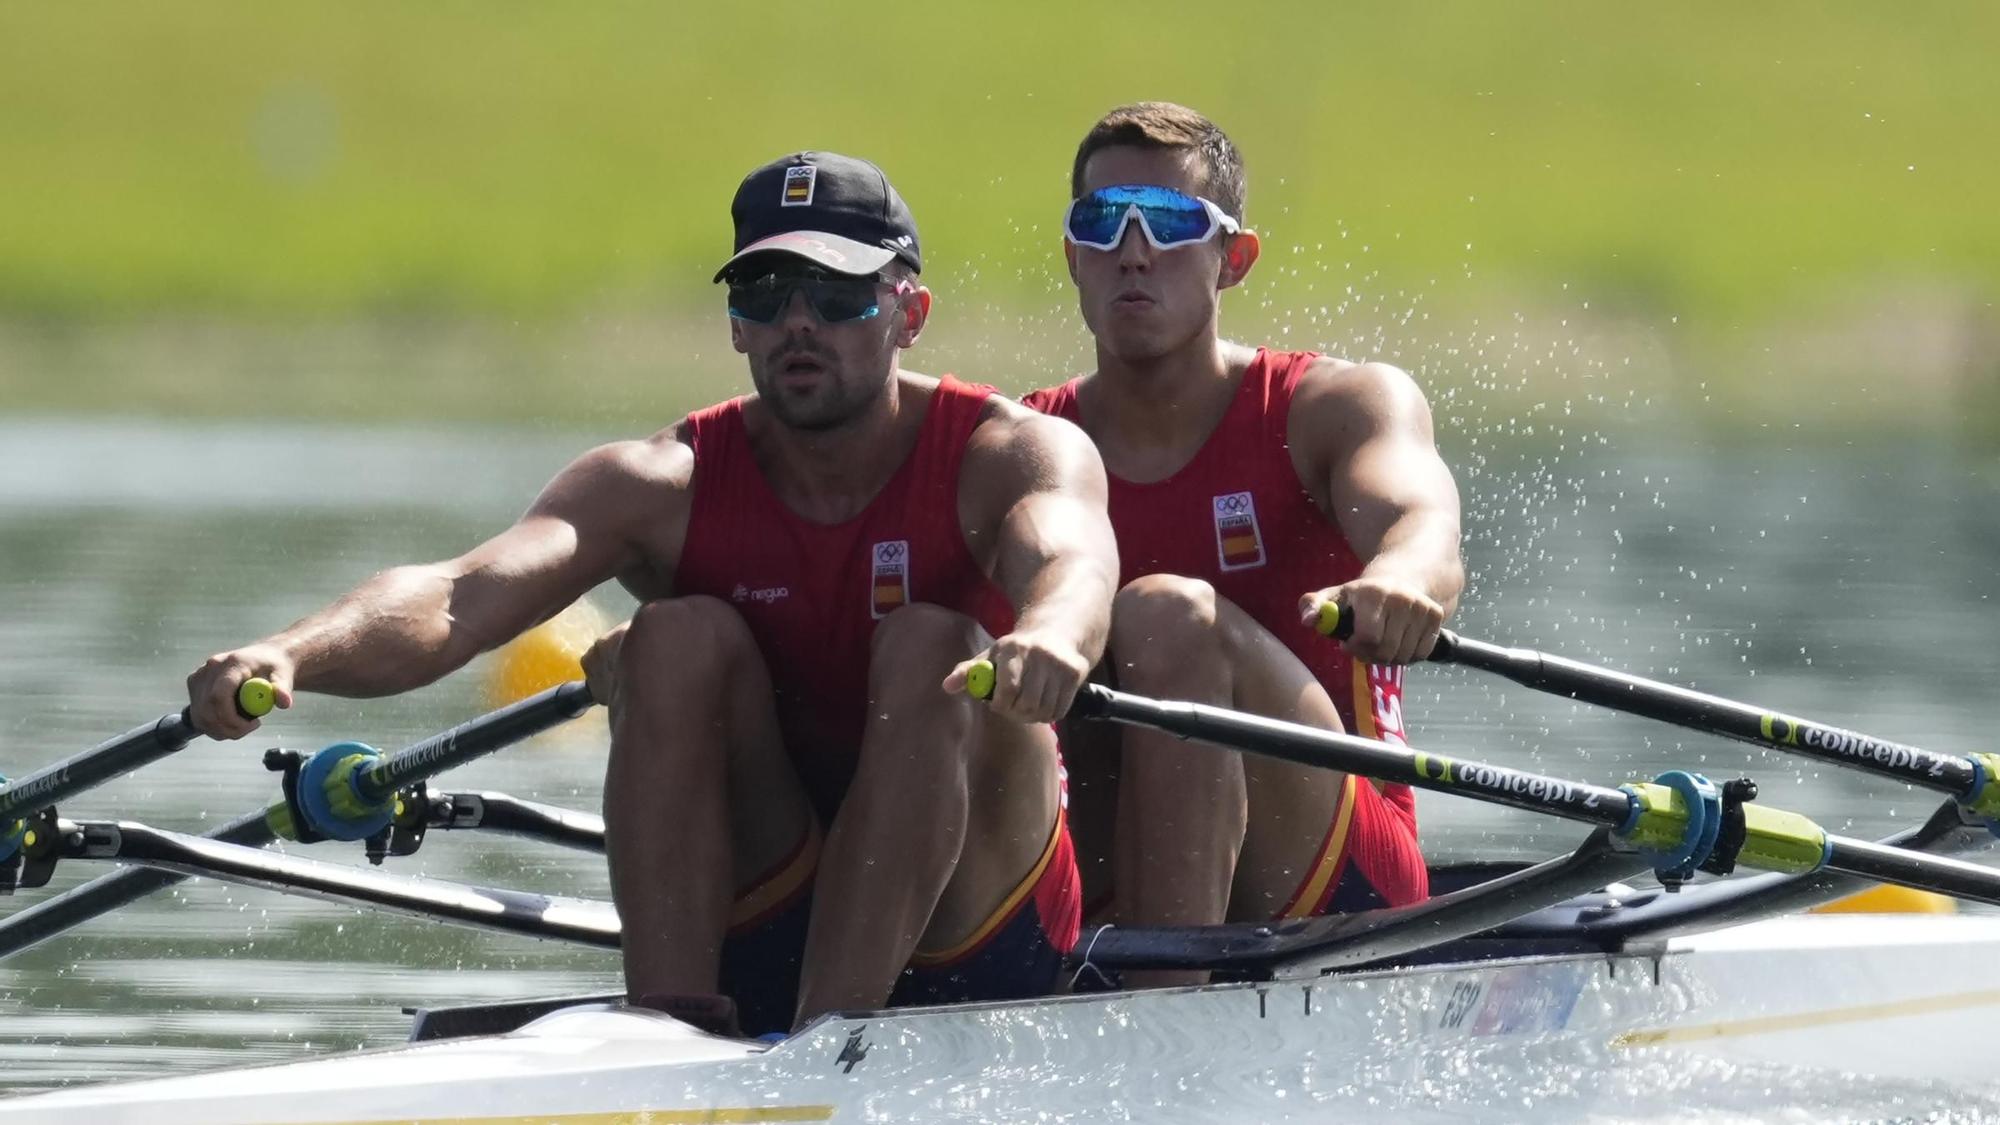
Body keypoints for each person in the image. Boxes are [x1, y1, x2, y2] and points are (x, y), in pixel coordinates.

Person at [188, 151, 1119, 1033]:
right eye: (766, 293)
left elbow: (1073, 559)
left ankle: (829, 1044)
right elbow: (459, 594)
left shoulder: (1005, 451)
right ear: (736, 324)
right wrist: (290, 653)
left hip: (984, 920)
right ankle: (670, 1028)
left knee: (929, 646)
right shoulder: (659, 482)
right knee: (671, 639)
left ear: (909, 313)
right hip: (775, 897)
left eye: (836, 295)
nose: (799, 321)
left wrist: (1054, 635)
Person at [1022, 104, 1463, 982]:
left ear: (1236, 258)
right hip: (1115, 846)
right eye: (1102, 223)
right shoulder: (1027, 443)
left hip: (1341, 879)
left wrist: (1405, 579)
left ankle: (1162, 1015)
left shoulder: (1332, 407)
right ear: (1073, 256)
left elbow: (1422, 519)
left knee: (1164, 616)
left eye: (1173, 222)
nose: (1134, 252)